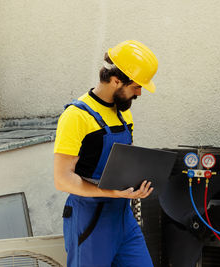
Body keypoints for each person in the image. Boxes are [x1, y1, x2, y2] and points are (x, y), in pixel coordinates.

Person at [53, 40, 158, 267]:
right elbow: (62, 180)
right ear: (116, 80)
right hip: (90, 217)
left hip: (122, 217)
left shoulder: (123, 114)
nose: (139, 92)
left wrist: (139, 184)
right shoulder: (76, 117)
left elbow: (123, 165)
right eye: (136, 86)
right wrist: (113, 192)